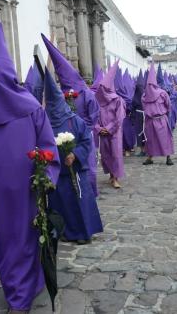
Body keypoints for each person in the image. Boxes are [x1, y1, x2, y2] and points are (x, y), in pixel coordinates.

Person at [0, 24, 59, 313]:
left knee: (25, 236)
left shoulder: (31, 108)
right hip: (1, 192)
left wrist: (46, 175)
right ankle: (19, 288)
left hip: (28, 187)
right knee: (8, 241)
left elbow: (47, 145)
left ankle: (24, 290)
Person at [43, 70, 103, 245]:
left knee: (78, 201)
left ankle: (83, 232)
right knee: (60, 202)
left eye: (56, 103)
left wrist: (74, 154)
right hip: (55, 172)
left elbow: (86, 140)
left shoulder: (74, 121)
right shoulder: (43, 122)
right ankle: (64, 231)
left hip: (74, 170)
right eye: (50, 104)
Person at [42, 33, 100, 196]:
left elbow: (94, 115)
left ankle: (90, 193)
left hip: (83, 134)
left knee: (87, 168)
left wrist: (83, 128)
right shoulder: (60, 94)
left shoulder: (87, 93)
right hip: (63, 137)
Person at [95, 61, 126, 189]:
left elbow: (119, 118)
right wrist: (98, 128)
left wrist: (108, 129)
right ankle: (111, 175)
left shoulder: (117, 100)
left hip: (114, 132)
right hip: (102, 132)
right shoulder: (96, 100)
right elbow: (93, 116)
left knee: (115, 154)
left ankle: (116, 177)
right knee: (106, 154)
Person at [142, 64, 174, 166]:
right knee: (150, 140)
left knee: (165, 139)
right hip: (150, 120)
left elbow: (168, 105)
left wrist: (165, 115)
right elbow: (144, 108)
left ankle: (168, 157)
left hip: (161, 119)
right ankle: (150, 157)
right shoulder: (144, 96)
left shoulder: (163, 93)